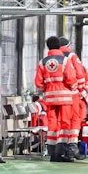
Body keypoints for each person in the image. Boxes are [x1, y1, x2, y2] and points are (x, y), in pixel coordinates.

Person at [34, 34, 79, 163]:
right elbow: (70, 77)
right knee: (65, 122)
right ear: (59, 46)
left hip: (50, 98)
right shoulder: (64, 60)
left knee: (52, 123)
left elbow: (38, 82)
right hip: (65, 97)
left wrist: (46, 89)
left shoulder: (42, 62)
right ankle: (62, 151)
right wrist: (73, 87)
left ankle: (52, 153)